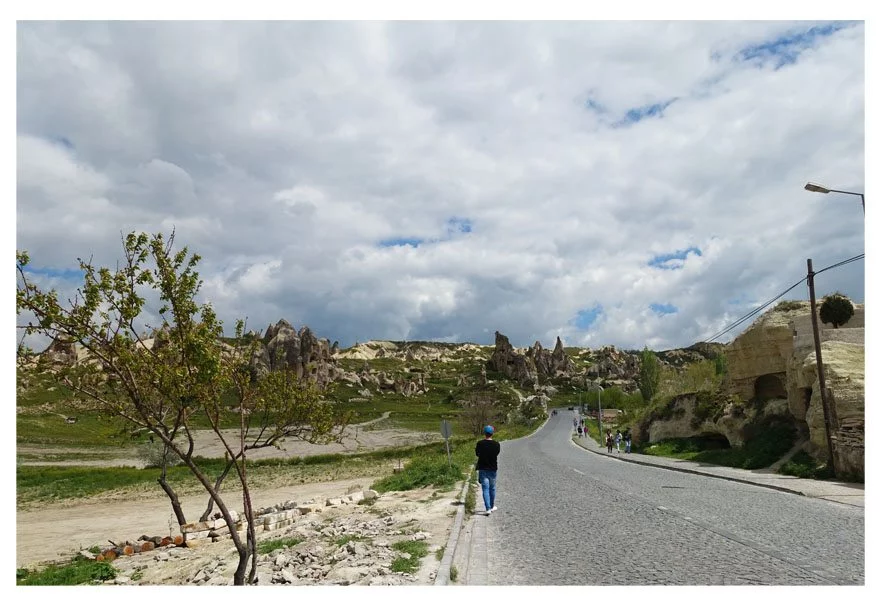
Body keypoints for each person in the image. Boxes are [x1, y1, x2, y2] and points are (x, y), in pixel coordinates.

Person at [475, 425, 501, 516]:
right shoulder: (496, 444)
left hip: (483, 469)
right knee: (492, 488)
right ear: (492, 433)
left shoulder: (480, 443)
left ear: (484, 433)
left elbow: (477, 454)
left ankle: (488, 508)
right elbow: (497, 453)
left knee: (485, 489)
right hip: (493, 469)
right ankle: (492, 506)